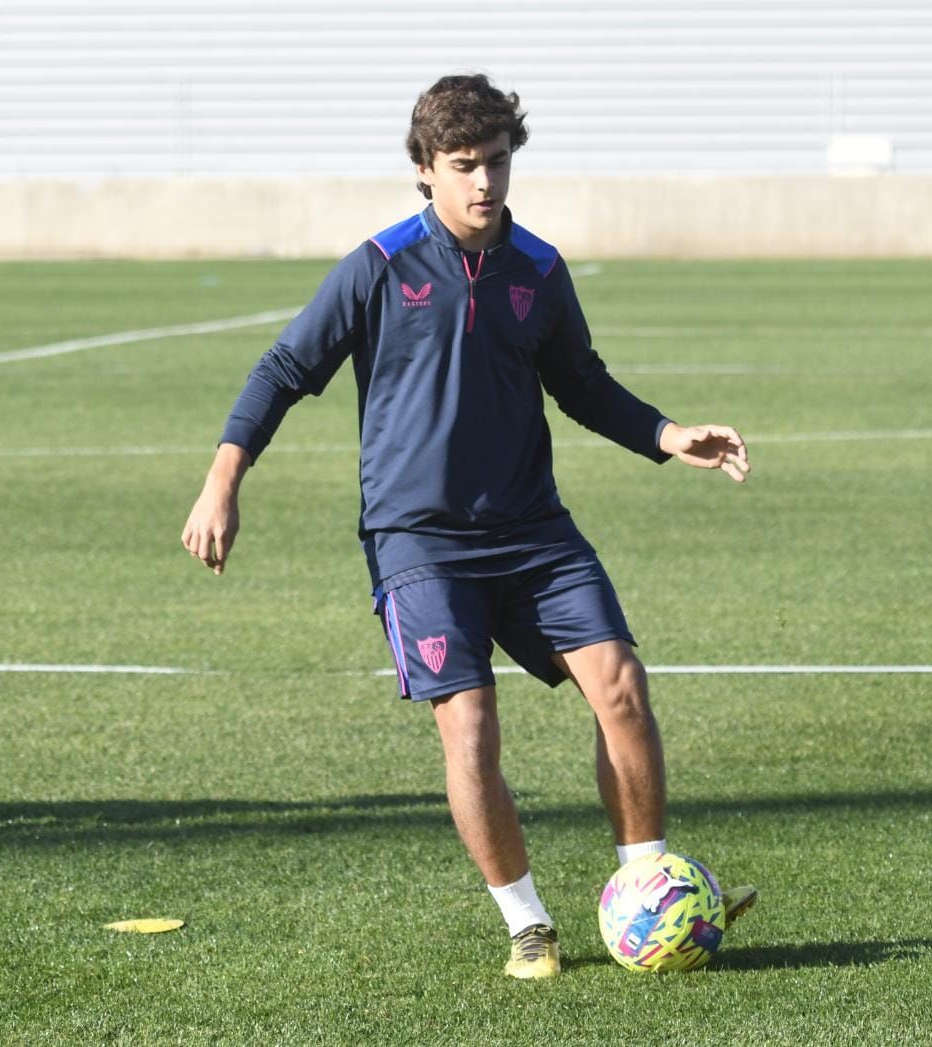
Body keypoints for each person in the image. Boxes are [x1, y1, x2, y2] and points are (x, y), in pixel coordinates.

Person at [181, 73, 756, 979]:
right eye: (463, 165)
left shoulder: (539, 268)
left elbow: (583, 384)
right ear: (424, 169)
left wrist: (665, 433)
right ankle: (527, 921)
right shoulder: (378, 266)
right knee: (471, 725)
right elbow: (284, 367)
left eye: (496, 162)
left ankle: (651, 887)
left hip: (534, 530)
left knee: (622, 685)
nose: (484, 182)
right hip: (419, 542)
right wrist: (224, 480)